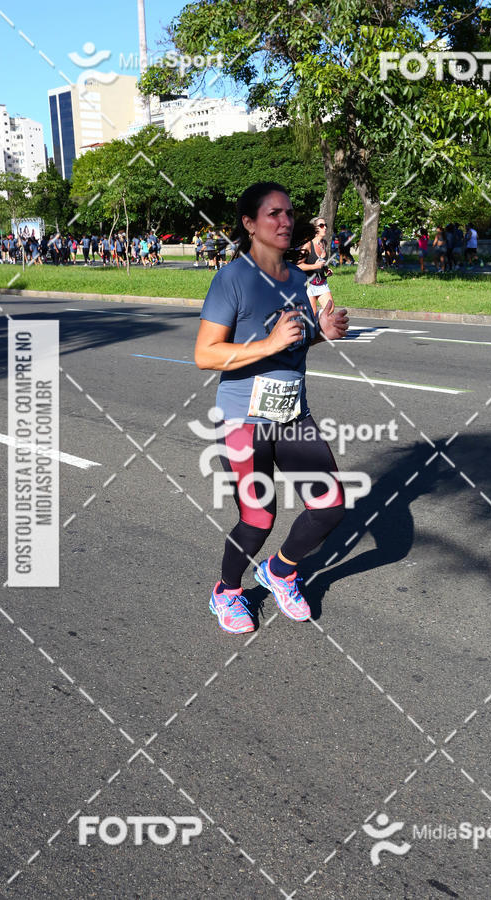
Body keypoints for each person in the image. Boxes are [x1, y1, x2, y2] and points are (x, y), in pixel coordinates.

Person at [194, 181, 349, 634]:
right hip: (244, 420)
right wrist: (268, 342)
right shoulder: (232, 280)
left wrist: (322, 332)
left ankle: (280, 571)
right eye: (273, 214)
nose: (285, 221)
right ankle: (227, 591)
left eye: (289, 213)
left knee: (330, 505)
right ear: (249, 224)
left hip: (292, 414)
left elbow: (294, 340)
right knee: (259, 518)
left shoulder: (299, 279)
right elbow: (206, 354)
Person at [297, 216, 333, 315]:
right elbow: (298, 265)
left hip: (322, 282)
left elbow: (321, 262)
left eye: (325, 225)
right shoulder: (308, 244)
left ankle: (318, 324)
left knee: (329, 309)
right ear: (314, 228)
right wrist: (315, 267)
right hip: (309, 283)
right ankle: (312, 326)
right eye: (321, 225)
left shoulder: (324, 243)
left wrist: (326, 269)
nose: (325, 227)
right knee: (312, 313)